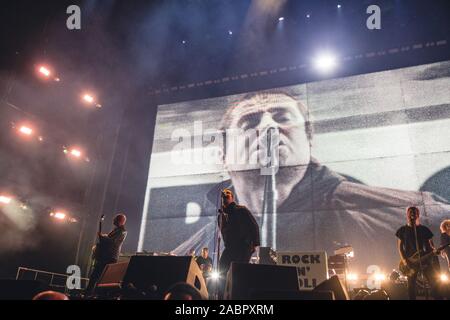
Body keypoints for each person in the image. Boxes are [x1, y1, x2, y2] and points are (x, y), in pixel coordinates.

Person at [173, 90, 450, 271]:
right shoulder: (192, 248)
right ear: (223, 153)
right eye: (250, 123)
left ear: (309, 138)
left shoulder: (426, 213)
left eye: (281, 117)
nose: (269, 128)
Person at [217, 189, 260, 298]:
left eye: (227, 194)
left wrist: (254, 244)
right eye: (223, 196)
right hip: (230, 248)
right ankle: (223, 296)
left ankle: (240, 296)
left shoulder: (241, 210)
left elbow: (254, 225)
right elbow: (223, 232)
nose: (225, 196)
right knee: (221, 269)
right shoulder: (221, 216)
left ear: (232, 197)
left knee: (239, 272)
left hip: (243, 246)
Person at [396, 206, 441, 300]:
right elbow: (400, 247)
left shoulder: (424, 229)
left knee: (434, 282)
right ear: (407, 214)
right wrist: (405, 261)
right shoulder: (402, 230)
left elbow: (431, 245)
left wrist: (434, 251)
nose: (412, 213)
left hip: (425, 260)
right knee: (411, 286)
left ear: (418, 215)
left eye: (414, 212)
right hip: (410, 262)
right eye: (410, 212)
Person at [86, 213, 127, 295]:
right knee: (96, 276)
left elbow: (113, 242)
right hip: (105, 256)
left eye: (115, 219)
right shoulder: (116, 230)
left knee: (100, 277)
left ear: (120, 221)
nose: (113, 220)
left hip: (109, 257)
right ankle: (89, 293)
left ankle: (92, 294)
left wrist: (103, 237)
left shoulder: (122, 231)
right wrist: (104, 237)